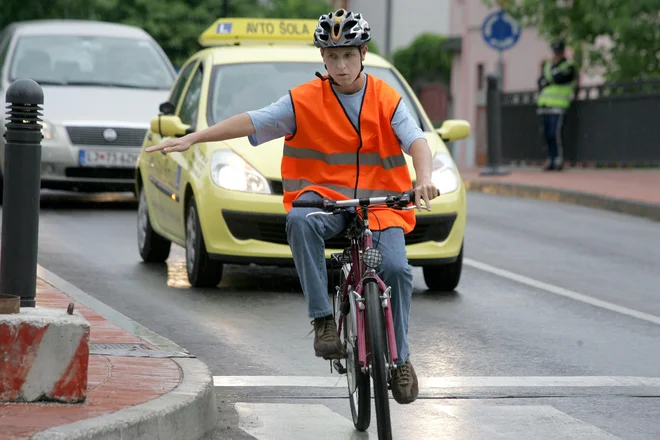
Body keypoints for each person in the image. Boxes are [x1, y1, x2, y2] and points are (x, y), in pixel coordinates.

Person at [146, 8, 440, 404]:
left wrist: (423, 178)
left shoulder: (387, 99)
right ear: (322, 57)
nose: (340, 64)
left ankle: (401, 360)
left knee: (397, 270)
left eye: (348, 55)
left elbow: (417, 140)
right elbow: (252, 121)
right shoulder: (304, 100)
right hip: (326, 204)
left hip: (379, 206)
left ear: (363, 53)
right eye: (331, 56)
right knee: (299, 222)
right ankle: (322, 322)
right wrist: (194, 138)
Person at [537, 40, 576, 171]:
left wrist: (549, 80)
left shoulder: (568, 66)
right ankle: (550, 159)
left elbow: (561, 79)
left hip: (559, 106)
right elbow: (541, 81)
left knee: (555, 134)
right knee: (547, 134)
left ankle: (558, 159)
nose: (556, 55)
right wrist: (550, 80)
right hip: (545, 105)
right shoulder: (548, 65)